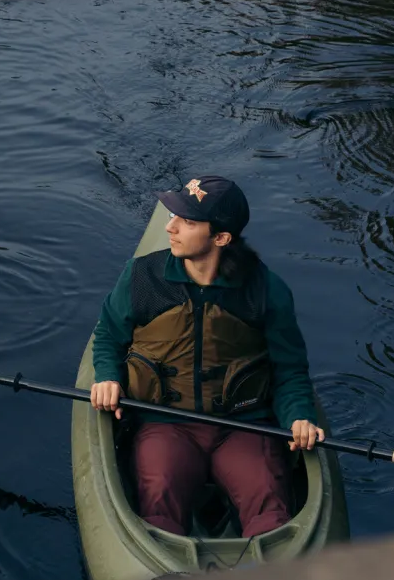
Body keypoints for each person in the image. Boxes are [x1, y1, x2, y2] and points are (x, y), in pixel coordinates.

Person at [89, 175, 325, 538]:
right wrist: (108, 376)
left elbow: (289, 369)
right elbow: (108, 337)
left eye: (186, 221)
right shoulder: (142, 278)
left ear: (221, 238)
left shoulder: (266, 291)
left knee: (269, 503)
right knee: (159, 499)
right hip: (165, 422)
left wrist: (299, 417)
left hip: (243, 424)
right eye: (172, 217)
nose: (171, 227)